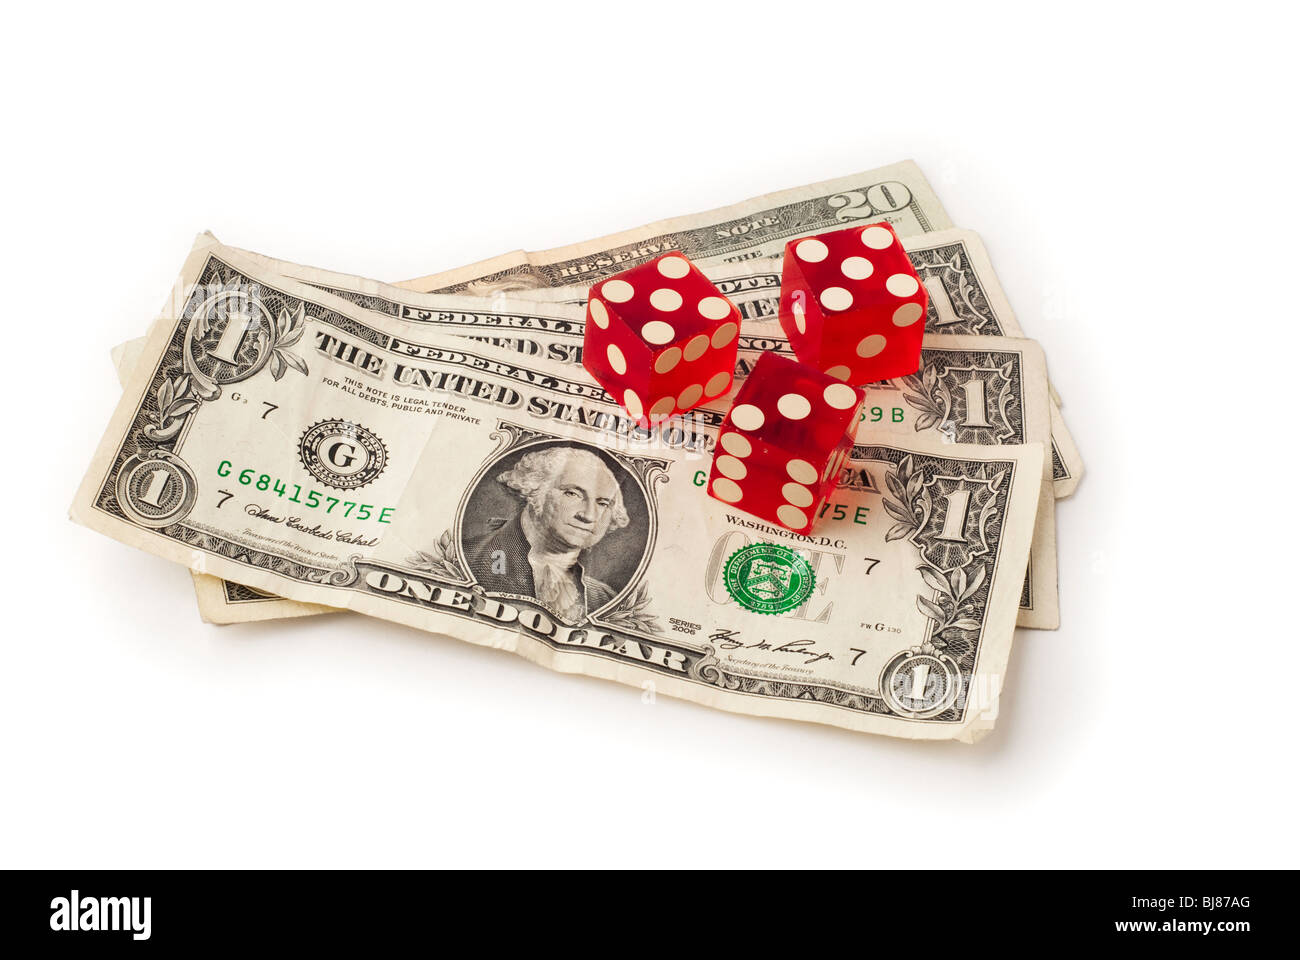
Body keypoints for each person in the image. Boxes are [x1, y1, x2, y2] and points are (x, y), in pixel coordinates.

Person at [466, 446, 630, 621]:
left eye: (603, 503)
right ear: (535, 490)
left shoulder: (605, 598)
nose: (589, 515)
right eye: (572, 494)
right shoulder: (469, 559)